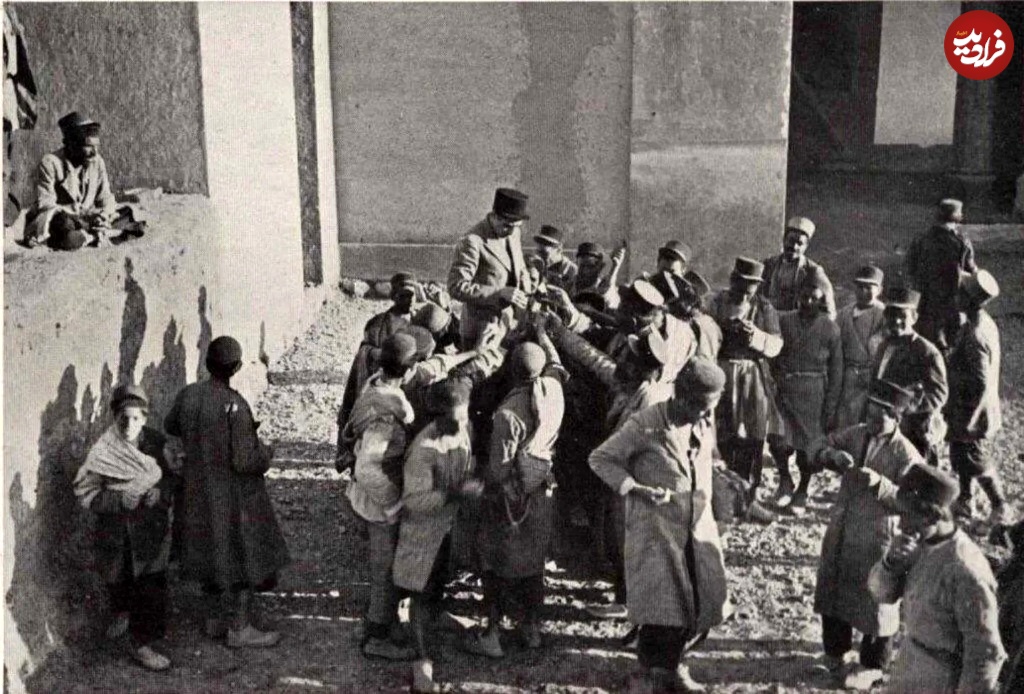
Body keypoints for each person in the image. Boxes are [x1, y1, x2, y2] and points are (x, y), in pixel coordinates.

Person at [589, 358, 730, 693]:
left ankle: (674, 666)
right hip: (657, 533)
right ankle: (654, 675)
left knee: (699, 604)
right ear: (682, 398)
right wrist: (633, 488)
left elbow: (705, 461)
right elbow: (600, 459)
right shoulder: (645, 424)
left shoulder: (701, 421)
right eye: (702, 408)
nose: (706, 416)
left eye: (710, 409)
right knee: (662, 610)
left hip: (696, 529)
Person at [164, 336, 289, 649]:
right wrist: (266, 453)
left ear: (208, 363)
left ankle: (213, 620)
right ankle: (239, 627)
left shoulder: (188, 394)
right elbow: (244, 460)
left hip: (195, 492)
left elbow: (171, 425)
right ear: (235, 368)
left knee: (206, 551)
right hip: (231, 497)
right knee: (244, 556)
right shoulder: (235, 405)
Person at [810, 380, 922, 690]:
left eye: (877, 417)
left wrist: (880, 485)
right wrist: (831, 456)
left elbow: (914, 503)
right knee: (835, 587)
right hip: (843, 528)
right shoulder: (857, 434)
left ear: (895, 417)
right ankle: (836, 652)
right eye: (868, 414)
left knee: (877, 600)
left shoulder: (906, 454)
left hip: (877, 536)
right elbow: (817, 444)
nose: (869, 422)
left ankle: (874, 665)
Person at [465, 333, 567, 658]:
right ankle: (531, 628)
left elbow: (499, 471)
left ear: (510, 370)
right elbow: (556, 364)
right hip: (542, 489)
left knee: (494, 563)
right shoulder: (553, 389)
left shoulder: (508, 414)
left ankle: (492, 634)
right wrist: (544, 333)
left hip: (511, 498)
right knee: (533, 564)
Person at [868, 464, 1006, 693]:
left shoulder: (965, 570)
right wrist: (890, 563)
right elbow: (880, 595)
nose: (901, 524)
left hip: (942, 678)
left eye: (909, 516)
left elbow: (986, 653)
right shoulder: (918, 546)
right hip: (909, 662)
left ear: (933, 516)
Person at [73, 385, 177, 671]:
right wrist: (118, 500)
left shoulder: (155, 444)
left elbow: (170, 479)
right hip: (117, 532)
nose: (129, 425)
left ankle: (141, 644)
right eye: (123, 419)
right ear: (114, 418)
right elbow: (87, 493)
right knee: (117, 579)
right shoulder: (104, 450)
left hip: (150, 530)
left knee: (150, 585)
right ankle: (122, 613)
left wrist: (159, 493)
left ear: (145, 418)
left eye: (135, 419)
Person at [392, 378, 483, 693]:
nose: (460, 425)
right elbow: (414, 500)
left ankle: (438, 615)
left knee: (440, 579)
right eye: (454, 420)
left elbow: (467, 460)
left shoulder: (463, 429)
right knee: (420, 591)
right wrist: (454, 493)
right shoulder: (423, 450)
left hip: (447, 527)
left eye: (463, 417)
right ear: (437, 416)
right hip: (423, 533)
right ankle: (421, 658)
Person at [339, 332, 420, 660]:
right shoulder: (388, 413)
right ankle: (376, 637)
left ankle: (383, 622)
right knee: (384, 571)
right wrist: (393, 504)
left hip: (370, 497)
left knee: (384, 567)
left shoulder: (375, 385)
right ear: (409, 369)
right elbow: (368, 468)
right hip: (379, 501)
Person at [708, 257, 785, 495]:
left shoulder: (764, 308)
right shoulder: (716, 301)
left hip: (751, 376)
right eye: (739, 288)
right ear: (733, 280)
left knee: (752, 432)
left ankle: (749, 488)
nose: (742, 296)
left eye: (748, 291)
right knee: (722, 430)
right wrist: (721, 330)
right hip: (721, 370)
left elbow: (776, 344)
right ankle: (723, 489)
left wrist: (756, 337)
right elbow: (703, 327)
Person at [771, 276, 842, 513]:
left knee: (808, 449)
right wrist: (777, 379)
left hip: (814, 394)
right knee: (778, 440)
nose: (808, 302)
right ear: (797, 297)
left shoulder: (830, 328)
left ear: (821, 301)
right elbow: (774, 355)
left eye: (814, 298)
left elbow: (836, 371)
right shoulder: (784, 321)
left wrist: (830, 406)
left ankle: (802, 490)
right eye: (804, 297)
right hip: (785, 390)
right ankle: (784, 481)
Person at [945, 270, 1010, 524]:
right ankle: (965, 499)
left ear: (970, 300)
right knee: (962, 455)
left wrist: (966, 413)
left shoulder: (976, 334)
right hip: (970, 408)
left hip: (972, 410)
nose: (955, 296)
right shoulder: (978, 322)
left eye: (960, 293)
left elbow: (980, 382)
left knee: (975, 458)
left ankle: (999, 504)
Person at [338, 272, 423, 432]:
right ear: (394, 297)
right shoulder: (377, 324)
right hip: (385, 383)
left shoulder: (420, 322)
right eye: (405, 295)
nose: (411, 300)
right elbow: (364, 352)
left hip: (411, 381)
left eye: (413, 296)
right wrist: (377, 354)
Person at [448, 187, 534, 346]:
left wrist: (528, 289)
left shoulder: (513, 233)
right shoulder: (472, 241)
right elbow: (456, 286)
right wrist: (499, 293)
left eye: (517, 226)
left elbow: (519, 266)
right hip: (479, 330)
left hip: (507, 324)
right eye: (507, 226)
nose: (511, 231)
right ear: (494, 216)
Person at [872, 288, 948, 466]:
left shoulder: (927, 352)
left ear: (914, 318)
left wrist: (906, 406)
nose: (896, 321)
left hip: (915, 429)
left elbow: (939, 394)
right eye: (891, 315)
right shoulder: (884, 345)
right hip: (886, 425)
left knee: (915, 472)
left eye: (902, 316)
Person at [905, 198, 977, 354]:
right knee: (950, 341)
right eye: (960, 212)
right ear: (956, 216)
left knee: (926, 340)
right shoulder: (961, 241)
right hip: (951, 299)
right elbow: (972, 271)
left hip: (925, 299)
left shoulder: (922, 238)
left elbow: (910, 266)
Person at [833, 266, 887, 431]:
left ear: (879, 290)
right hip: (845, 375)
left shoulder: (884, 315)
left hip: (870, 377)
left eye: (869, 287)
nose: (863, 291)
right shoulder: (844, 314)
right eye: (860, 286)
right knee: (842, 420)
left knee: (863, 422)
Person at [761, 216, 837, 318]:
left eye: (800, 243)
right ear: (784, 240)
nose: (794, 247)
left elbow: (829, 308)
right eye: (791, 240)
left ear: (805, 247)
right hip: (768, 321)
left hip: (795, 323)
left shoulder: (813, 271)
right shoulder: (769, 264)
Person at [532, 225, 578, 291]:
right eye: (538, 252)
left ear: (559, 249)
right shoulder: (534, 266)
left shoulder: (571, 270)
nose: (540, 257)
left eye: (544, 254)